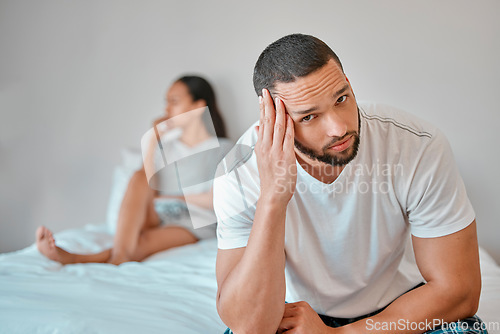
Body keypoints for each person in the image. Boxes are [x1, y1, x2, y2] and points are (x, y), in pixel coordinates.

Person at [214, 34, 485, 334]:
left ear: (348, 82)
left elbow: (460, 292)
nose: (339, 128)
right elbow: (248, 326)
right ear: (273, 120)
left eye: (341, 99)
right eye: (310, 116)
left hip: (401, 309)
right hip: (296, 316)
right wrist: (272, 197)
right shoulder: (237, 174)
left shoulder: (417, 145)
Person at [36, 75, 232, 265]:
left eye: (174, 101)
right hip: (158, 214)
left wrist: (171, 198)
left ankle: (74, 258)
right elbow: (146, 183)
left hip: (193, 221)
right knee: (139, 176)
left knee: (138, 244)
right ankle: (109, 258)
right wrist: (154, 140)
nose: (166, 108)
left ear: (198, 107)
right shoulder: (167, 147)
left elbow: (215, 200)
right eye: (166, 102)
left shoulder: (222, 148)